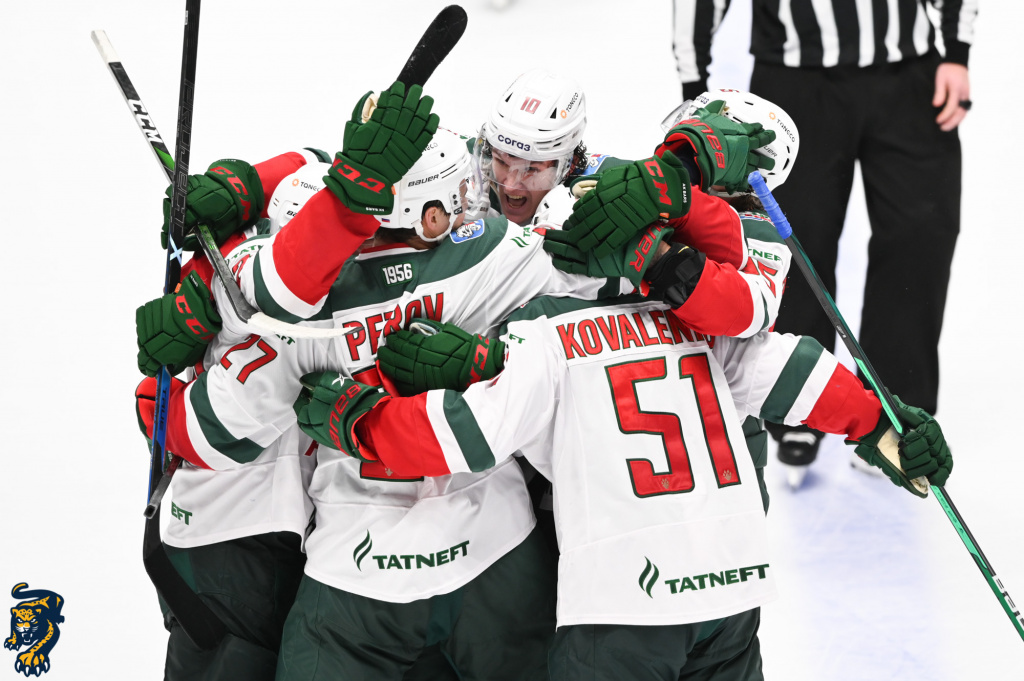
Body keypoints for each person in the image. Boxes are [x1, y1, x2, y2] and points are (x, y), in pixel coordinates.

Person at [290, 301, 952, 681]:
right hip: (731, 589)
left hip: (625, 602)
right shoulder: (690, 316)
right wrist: (882, 424)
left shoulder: (542, 337)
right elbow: (791, 367)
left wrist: (354, 417)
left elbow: (463, 438)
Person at [133, 82, 439, 681]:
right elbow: (203, 428)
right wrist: (154, 400)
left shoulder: (265, 268)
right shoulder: (276, 295)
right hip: (232, 549)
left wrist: (243, 186)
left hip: (285, 542)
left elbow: (309, 167)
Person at [671, 0, 977, 482]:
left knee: (921, 234)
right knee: (797, 242)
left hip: (909, 71)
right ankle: (800, 406)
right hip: (795, 80)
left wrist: (957, 51)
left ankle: (897, 409)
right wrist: (694, 86)